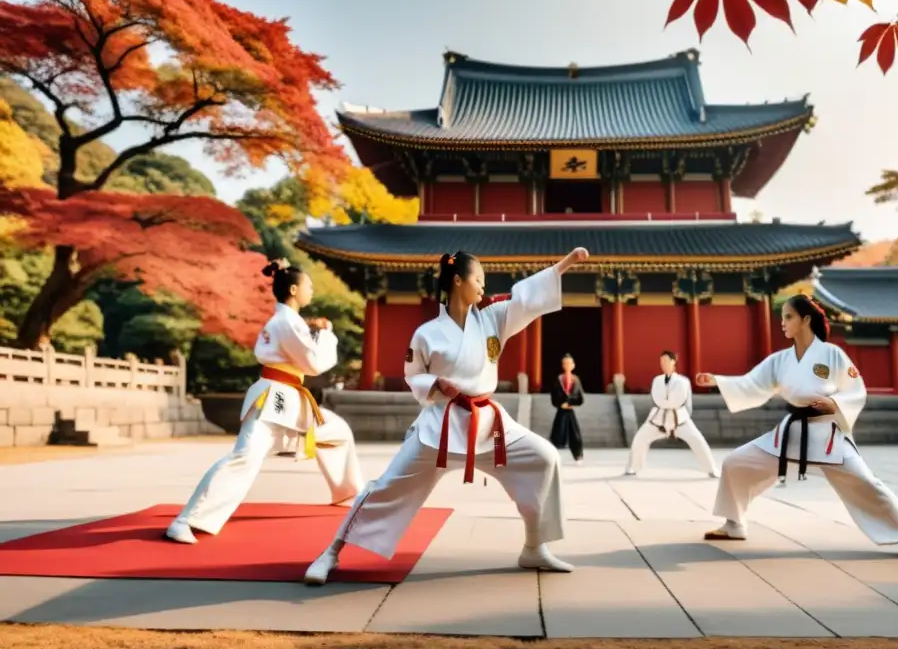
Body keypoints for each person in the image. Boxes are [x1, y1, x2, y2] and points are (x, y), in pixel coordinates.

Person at [303, 247, 590, 584]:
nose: (484, 285)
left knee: (544, 458)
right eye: (478, 278)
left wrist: (563, 266)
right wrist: (436, 383)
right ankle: (331, 553)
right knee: (385, 487)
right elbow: (413, 376)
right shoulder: (427, 333)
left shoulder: (493, 318)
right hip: (438, 429)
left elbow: (525, 298)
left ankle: (533, 548)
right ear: (458, 280)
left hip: (488, 424)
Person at [696, 294, 898, 564]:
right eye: (782, 317)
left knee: (868, 483)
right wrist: (717, 381)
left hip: (827, 434)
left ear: (806, 319)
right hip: (791, 434)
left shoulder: (832, 354)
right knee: (736, 463)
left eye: (788, 317)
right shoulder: (781, 359)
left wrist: (833, 403)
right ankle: (734, 524)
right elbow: (753, 383)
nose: (783, 323)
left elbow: (857, 390)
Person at [165, 259, 365, 545]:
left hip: (288, 398)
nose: (313, 290)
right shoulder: (285, 321)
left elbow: (298, 348)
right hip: (275, 398)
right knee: (245, 456)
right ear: (294, 289)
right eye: (309, 286)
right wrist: (328, 335)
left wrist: (313, 330)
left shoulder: (287, 321)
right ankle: (186, 520)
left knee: (338, 431)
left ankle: (347, 492)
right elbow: (314, 362)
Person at [624, 350, 718, 478]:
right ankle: (632, 468)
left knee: (698, 440)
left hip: (679, 417)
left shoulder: (683, 381)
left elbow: (686, 401)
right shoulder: (657, 380)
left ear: (674, 362)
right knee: (640, 438)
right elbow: (656, 398)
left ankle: (712, 469)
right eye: (661, 361)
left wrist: (679, 410)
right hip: (658, 418)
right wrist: (665, 403)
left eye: (666, 360)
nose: (663, 363)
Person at [549, 353, 585, 464]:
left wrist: (572, 403)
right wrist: (560, 404)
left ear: (573, 365)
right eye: (565, 363)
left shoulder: (576, 380)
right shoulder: (559, 379)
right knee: (557, 433)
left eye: (569, 363)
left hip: (570, 410)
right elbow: (554, 395)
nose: (567, 365)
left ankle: (578, 455)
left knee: (575, 434)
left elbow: (580, 397)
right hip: (561, 409)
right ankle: (552, 456)